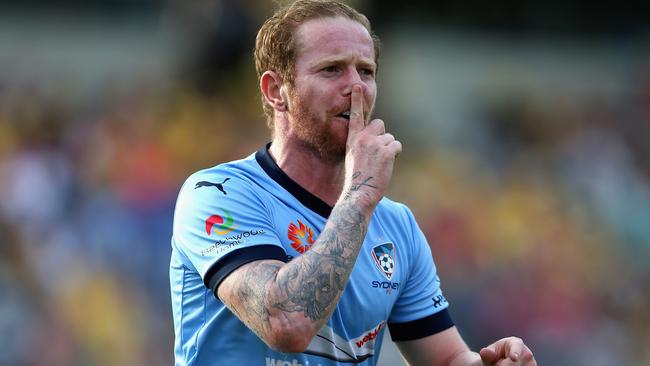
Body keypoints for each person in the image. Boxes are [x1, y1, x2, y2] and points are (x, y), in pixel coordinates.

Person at [169, 1, 537, 365]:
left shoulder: (396, 226)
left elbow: (448, 358)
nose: (356, 87)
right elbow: (286, 323)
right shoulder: (218, 195)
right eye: (332, 70)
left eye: (366, 71)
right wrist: (360, 195)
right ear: (275, 90)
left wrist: (490, 363)